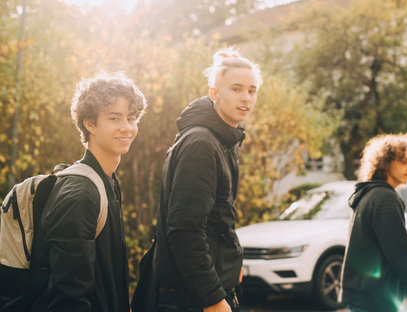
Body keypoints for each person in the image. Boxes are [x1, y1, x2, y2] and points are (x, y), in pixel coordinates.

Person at [154, 47, 262, 312]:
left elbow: (220, 218)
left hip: (209, 288)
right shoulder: (202, 143)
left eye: (251, 90)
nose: (246, 98)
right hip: (191, 298)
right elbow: (185, 230)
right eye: (236, 89)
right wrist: (213, 298)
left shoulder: (224, 140)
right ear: (214, 93)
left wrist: (230, 264)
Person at [32, 73, 147, 311]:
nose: (127, 128)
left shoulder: (108, 182)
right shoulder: (80, 193)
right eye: (114, 118)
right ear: (90, 124)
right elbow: (68, 297)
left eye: (132, 118)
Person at [340, 133, 407, 312]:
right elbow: (401, 254)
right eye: (403, 161)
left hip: (361, 295)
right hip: (375, 299)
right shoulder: (385, 198)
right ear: (385, 162)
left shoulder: (369, 195)